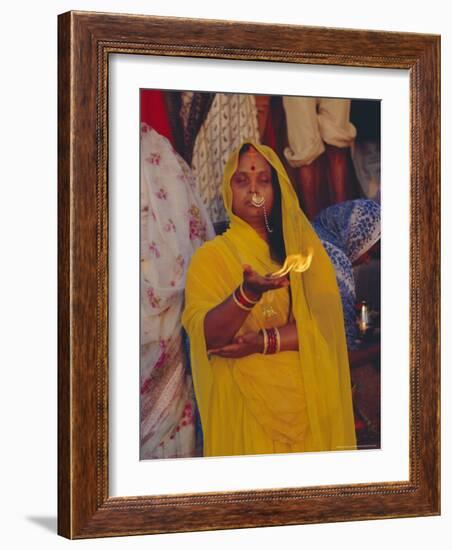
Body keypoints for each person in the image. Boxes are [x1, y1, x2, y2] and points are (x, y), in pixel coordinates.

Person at [181, 140, 356, 457]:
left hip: (302, 404)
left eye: (264, 180)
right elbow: (207, 337)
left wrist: (261, 341)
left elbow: (323, 328)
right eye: (242, 180)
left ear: (277, 191)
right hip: (242, 406)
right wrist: (247, 294)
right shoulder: (210, 257)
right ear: (227, 191)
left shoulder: (300, 255)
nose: (253, 189)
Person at [312, 199, 381, 353]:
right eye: (369, 251)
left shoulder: (313, 230)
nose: (367, 260)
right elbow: (345, 344)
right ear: (356, 236)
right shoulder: (336, 261)